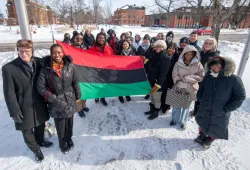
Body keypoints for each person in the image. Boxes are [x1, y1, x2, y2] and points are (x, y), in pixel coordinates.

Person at [2, 39, 53, 162]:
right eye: (21, 51)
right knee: (27, 129)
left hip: (39, 102)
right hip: (22, 104)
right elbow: (9, 92)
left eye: (27, 51)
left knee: (40, 123)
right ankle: (36, 149)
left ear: (32, 50)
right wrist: (14, 111)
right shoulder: (9, 68)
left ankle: (40, 140)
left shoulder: (40, 62)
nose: (24, 54)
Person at [36, 44, 81, 154]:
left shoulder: (70, 66)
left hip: (69, 99)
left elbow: (75, 81)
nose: (57, 55)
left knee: (69, 122)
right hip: (55, 102)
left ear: (63, 53)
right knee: (61, 125)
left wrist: (78, 95)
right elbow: (40, 87)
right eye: (54, 53)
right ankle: (62, 143)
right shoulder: (46, 69)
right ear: (51, 54)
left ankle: (69, 138)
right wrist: (54, 99)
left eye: (59, 52)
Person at [195, 56, 245, 149]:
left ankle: (210, 138)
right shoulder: (208, 76)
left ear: (223, 66)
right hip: (205, 106)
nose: (215, 68)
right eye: (213, 66)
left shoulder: (233, 79)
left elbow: (240, 96)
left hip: (221, 109)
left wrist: (227, 108)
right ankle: (201, 135)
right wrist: (201, 99)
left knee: (217, 126)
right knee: (203, 121)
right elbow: (201, 89)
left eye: (218, 65)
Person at [170, 45, 204, 130]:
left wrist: (189, 78)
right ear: (183, 54)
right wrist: (178, 81)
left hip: (190, 89)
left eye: (191, 54)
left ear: (194, 55)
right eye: (187, 54)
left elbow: (201, 76)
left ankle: (183, 122)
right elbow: (174, 74)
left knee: (186, 107)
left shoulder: (198, 64)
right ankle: (174, 119)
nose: (188, 56)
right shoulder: (178, 63)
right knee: (176, 105)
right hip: (179, 87)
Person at [191, 37, 220, 117]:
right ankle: (196, 111)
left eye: (210, 43)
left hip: (207, 80)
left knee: (202, 97)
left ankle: (199, 113)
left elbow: (215, 71)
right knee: (197, 95)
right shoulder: (201, 53)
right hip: (198, 78)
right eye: (206, 43)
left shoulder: (215, 56)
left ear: (214, 45)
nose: (207, 45)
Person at [144, 40, 171, 120]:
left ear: (163, 47)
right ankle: (151, 110)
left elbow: (163, 73)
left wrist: (158, 84)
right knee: (152, 96)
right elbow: (150, 66)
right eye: (157, 46)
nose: (158, 48)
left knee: (156, 98)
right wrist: (145, 61)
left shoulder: (165, 58)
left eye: (160, 46)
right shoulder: (154, 55)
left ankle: (155, 112)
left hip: (158, 83)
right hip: (151, 81)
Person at [89, 32, 114, 106]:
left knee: (104, 85)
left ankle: (103, 98)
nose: (101, 39)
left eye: (102, 38)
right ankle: (96, 96)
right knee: (97, 84)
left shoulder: (109, 49)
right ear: (96, 39)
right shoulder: (92, 49)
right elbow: (87, 59)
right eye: (99, 38)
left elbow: (113, 58)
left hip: (106, 70)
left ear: (105, 39)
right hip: (96, 70)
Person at [161, 44, 179, 114]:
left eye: (173, 49)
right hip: (163, 78)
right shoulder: (163, 56)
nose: (171, 50)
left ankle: (167, 107)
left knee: (169, 94)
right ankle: (162, 106)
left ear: (175, 50)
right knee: (162, 93)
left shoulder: (177, 59)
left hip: (171, 79)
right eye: (170, 48)